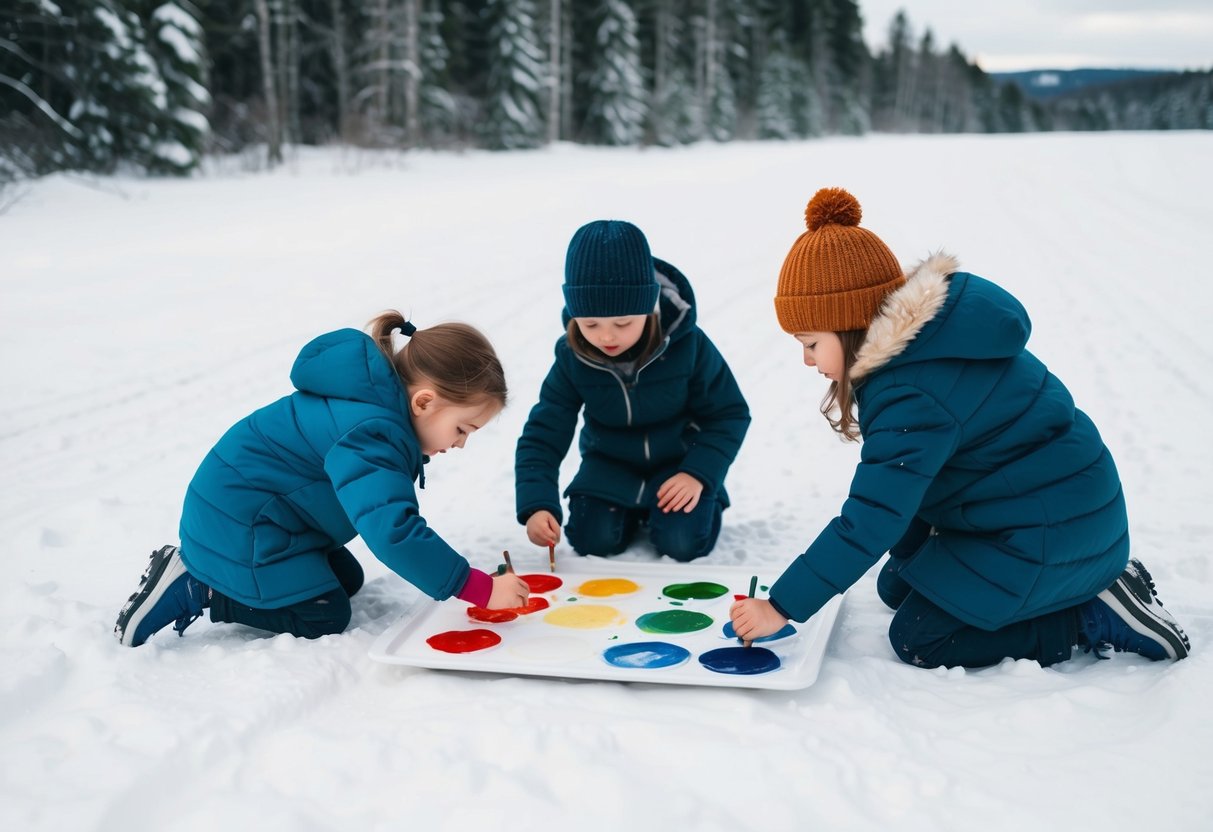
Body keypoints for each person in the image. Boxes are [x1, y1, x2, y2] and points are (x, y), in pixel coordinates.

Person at [729, 187, 1191, 668]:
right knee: (897, 585)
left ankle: (1092, 613)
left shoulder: (910, 392)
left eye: (810, 343)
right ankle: (1085, 582)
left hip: (1049, 531)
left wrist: (780, 606)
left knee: (920, 638)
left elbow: (874, 515)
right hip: (1050, 511)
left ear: (848, 325)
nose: (806, 360)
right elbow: (913, 489)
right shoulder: (922, 345)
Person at [115, 312, 529, 647]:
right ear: (424, 402)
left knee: (346, 580)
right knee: (323, 613)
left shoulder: (373, 414)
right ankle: (198, 587)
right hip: (238, 525)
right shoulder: (371, 433)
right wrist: (477, 588)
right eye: (462, 429)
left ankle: (220, 574)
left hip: (257, 517)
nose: (460, 445)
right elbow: (393, 531)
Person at [515, 220, 750, 562]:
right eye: (591, 324)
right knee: (591, 539)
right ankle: (627, 510)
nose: (606, 337)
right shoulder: (571, 355)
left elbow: (729, 413)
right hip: (609, 467)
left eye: (623, 323)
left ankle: (695, 506)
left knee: (682, 542)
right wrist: (537, 504)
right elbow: (543, 434)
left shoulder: (689, 344)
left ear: (649, 307)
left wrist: (698, 473)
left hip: (678, 465)